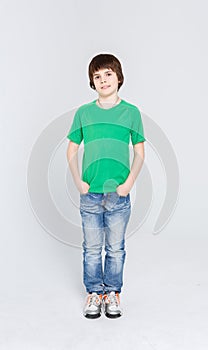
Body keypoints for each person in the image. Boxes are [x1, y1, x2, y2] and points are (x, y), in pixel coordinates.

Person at [66, 53, 146, 319]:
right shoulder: (83, 113)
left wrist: (129, 182)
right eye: (97, 76)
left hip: (118, 195)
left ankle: (112, 292)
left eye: (108, 74)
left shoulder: (131, 113)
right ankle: (94, 292)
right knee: (91, 247)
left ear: (119, 77)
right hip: (90, 195)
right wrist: (78, 180)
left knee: (115, 247)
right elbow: (71, 150)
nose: (103, 80)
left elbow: (140, 152)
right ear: (92, 82)